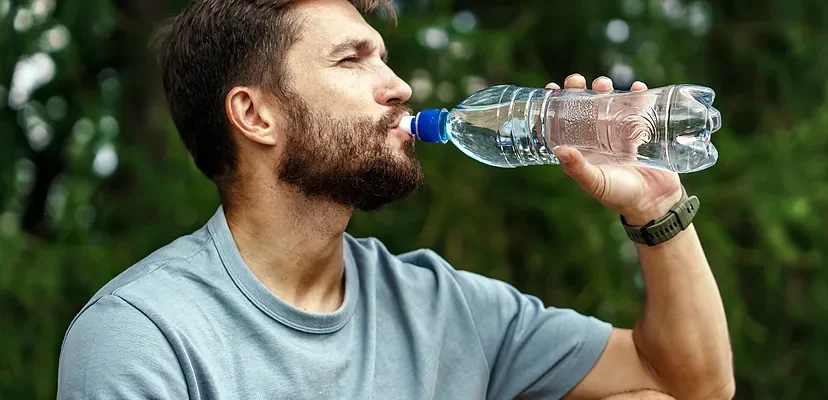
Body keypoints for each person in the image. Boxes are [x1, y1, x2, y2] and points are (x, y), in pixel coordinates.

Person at [56, 0, 735, 399]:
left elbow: (688, 382)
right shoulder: (144, 334)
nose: (400, 85)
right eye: (352, 60)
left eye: (384, 57)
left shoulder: (445, 308)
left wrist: (654, 208)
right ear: (254, 115)